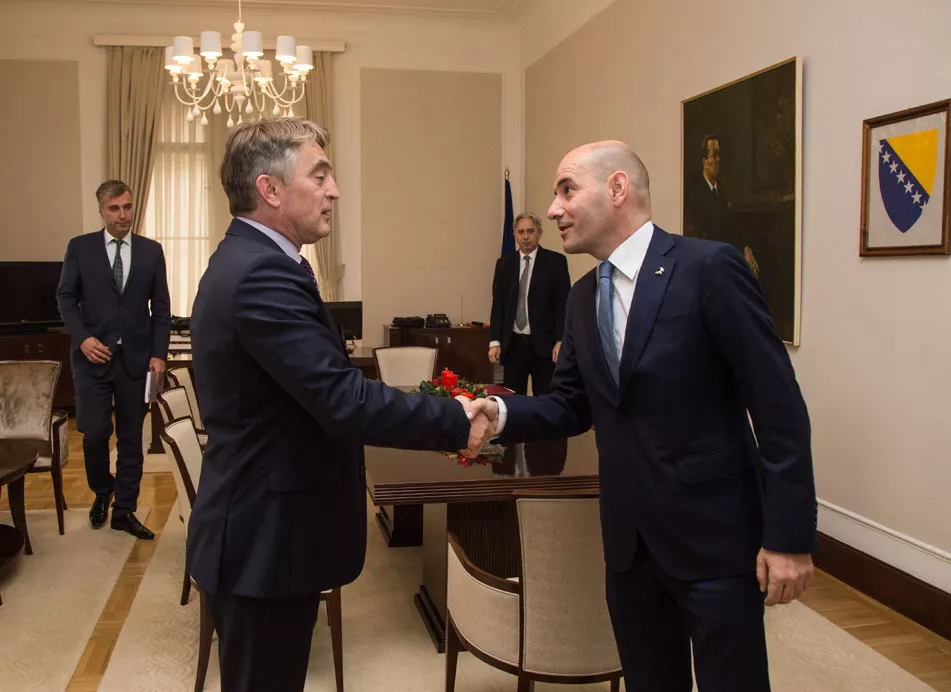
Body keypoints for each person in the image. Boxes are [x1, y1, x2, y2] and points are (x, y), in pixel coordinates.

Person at [469, 141, 816, 692]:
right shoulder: (582, 298)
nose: (554, 209)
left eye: (566, 190)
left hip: (715, 538)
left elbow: (778, 407)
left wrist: (790, 536)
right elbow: (571, 404)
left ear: (617, 189)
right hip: (629, 546)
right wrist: (501, 412)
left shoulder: (708, 268)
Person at [186, 118, 491, 692]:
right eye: (320, 175)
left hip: (270, 531)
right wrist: (454, 418)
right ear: (270, 189)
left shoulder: (253, 260)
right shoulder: (260, 272)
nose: (335, 191)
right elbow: (342, 399)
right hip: (263, 540)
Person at [56, 180, 170, 540]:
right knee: (94, 434)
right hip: (92, 360)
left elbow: (161, 308)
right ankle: (103, 490)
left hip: (135, 361)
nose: (123, 215)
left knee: (131, 439)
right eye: (115, 209)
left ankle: (124, 511)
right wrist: (82, 338)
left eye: (127, 207)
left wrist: (158, 353)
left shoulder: (151, 251)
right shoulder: (80, 248)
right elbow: (65, 298)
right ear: (102, 211)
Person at [488, 212, 570, 395]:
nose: (525, 237)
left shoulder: (556, 262)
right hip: (513, 344)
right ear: (514, 234)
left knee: (545, 398)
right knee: (513, 399)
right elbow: (498, 305)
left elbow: (563, 304)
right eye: (521, 232)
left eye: (530, 231)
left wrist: (561, 339)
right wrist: (494, 341)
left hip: (545, 345)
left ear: (539, 232)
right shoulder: (504, 264)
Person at [685, 134, 759, 277]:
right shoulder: (695, 195)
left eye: (719, 155)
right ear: (704, 162)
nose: (718, 160)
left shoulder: (724, 192)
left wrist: (746, 248)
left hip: (727, 259)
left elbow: (734, 227)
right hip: (710, 263)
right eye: (714, 155)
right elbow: (699, 237)